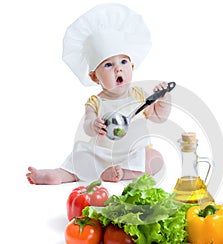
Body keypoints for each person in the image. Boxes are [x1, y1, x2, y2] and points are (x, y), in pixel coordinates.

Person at [26, 3, 172, 185]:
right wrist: (93, 125)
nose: (118, 68)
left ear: (132, 67)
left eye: (124, 62)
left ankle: (123, 173)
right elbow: (87, 125)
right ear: (95, 77)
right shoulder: (95, 102)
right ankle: (60, 174)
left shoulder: (139, 96)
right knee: (80, 153)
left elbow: (158, 117)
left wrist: (164, 100)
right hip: (102, 154)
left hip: (132, 153)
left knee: (154, 157)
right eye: (108, 65)